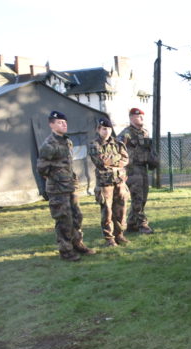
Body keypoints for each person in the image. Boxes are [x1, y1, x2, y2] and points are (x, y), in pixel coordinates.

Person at [36, 111, 97, 261]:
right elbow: (42, 168)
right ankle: (66, 250)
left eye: (65, 122)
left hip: (70, 186)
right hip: (58, 189)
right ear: (51, 125)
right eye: (59, 122)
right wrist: (56, 178)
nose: (64, 124)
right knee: (64, 219)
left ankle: (77, 244)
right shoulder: (49, 144)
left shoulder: (67, 141)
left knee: (77, 216)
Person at [89, 118, 131, 247]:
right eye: (104, 129)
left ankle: (119, 235)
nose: (106, 131)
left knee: (121, 209)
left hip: (119, 181)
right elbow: (100, 162)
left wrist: (109, 160)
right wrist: (116, 159)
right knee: (107, 211)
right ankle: (109, 238)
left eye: (108, 129)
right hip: (105, 183)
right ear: (98, 130)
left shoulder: (118, 143)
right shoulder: (94, 145)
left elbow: (126, 160)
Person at [117, 108, 158, 234]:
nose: (141, 118)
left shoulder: (145, 132)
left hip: (143, 168)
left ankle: (132, 223)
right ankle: (142, 224)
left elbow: (148, 149)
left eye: (142, 116)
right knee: (138, 197)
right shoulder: (126, 134)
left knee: (143, 197)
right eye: (138, 116)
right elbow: (118, 151)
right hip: (132, 169)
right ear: (131, 118)